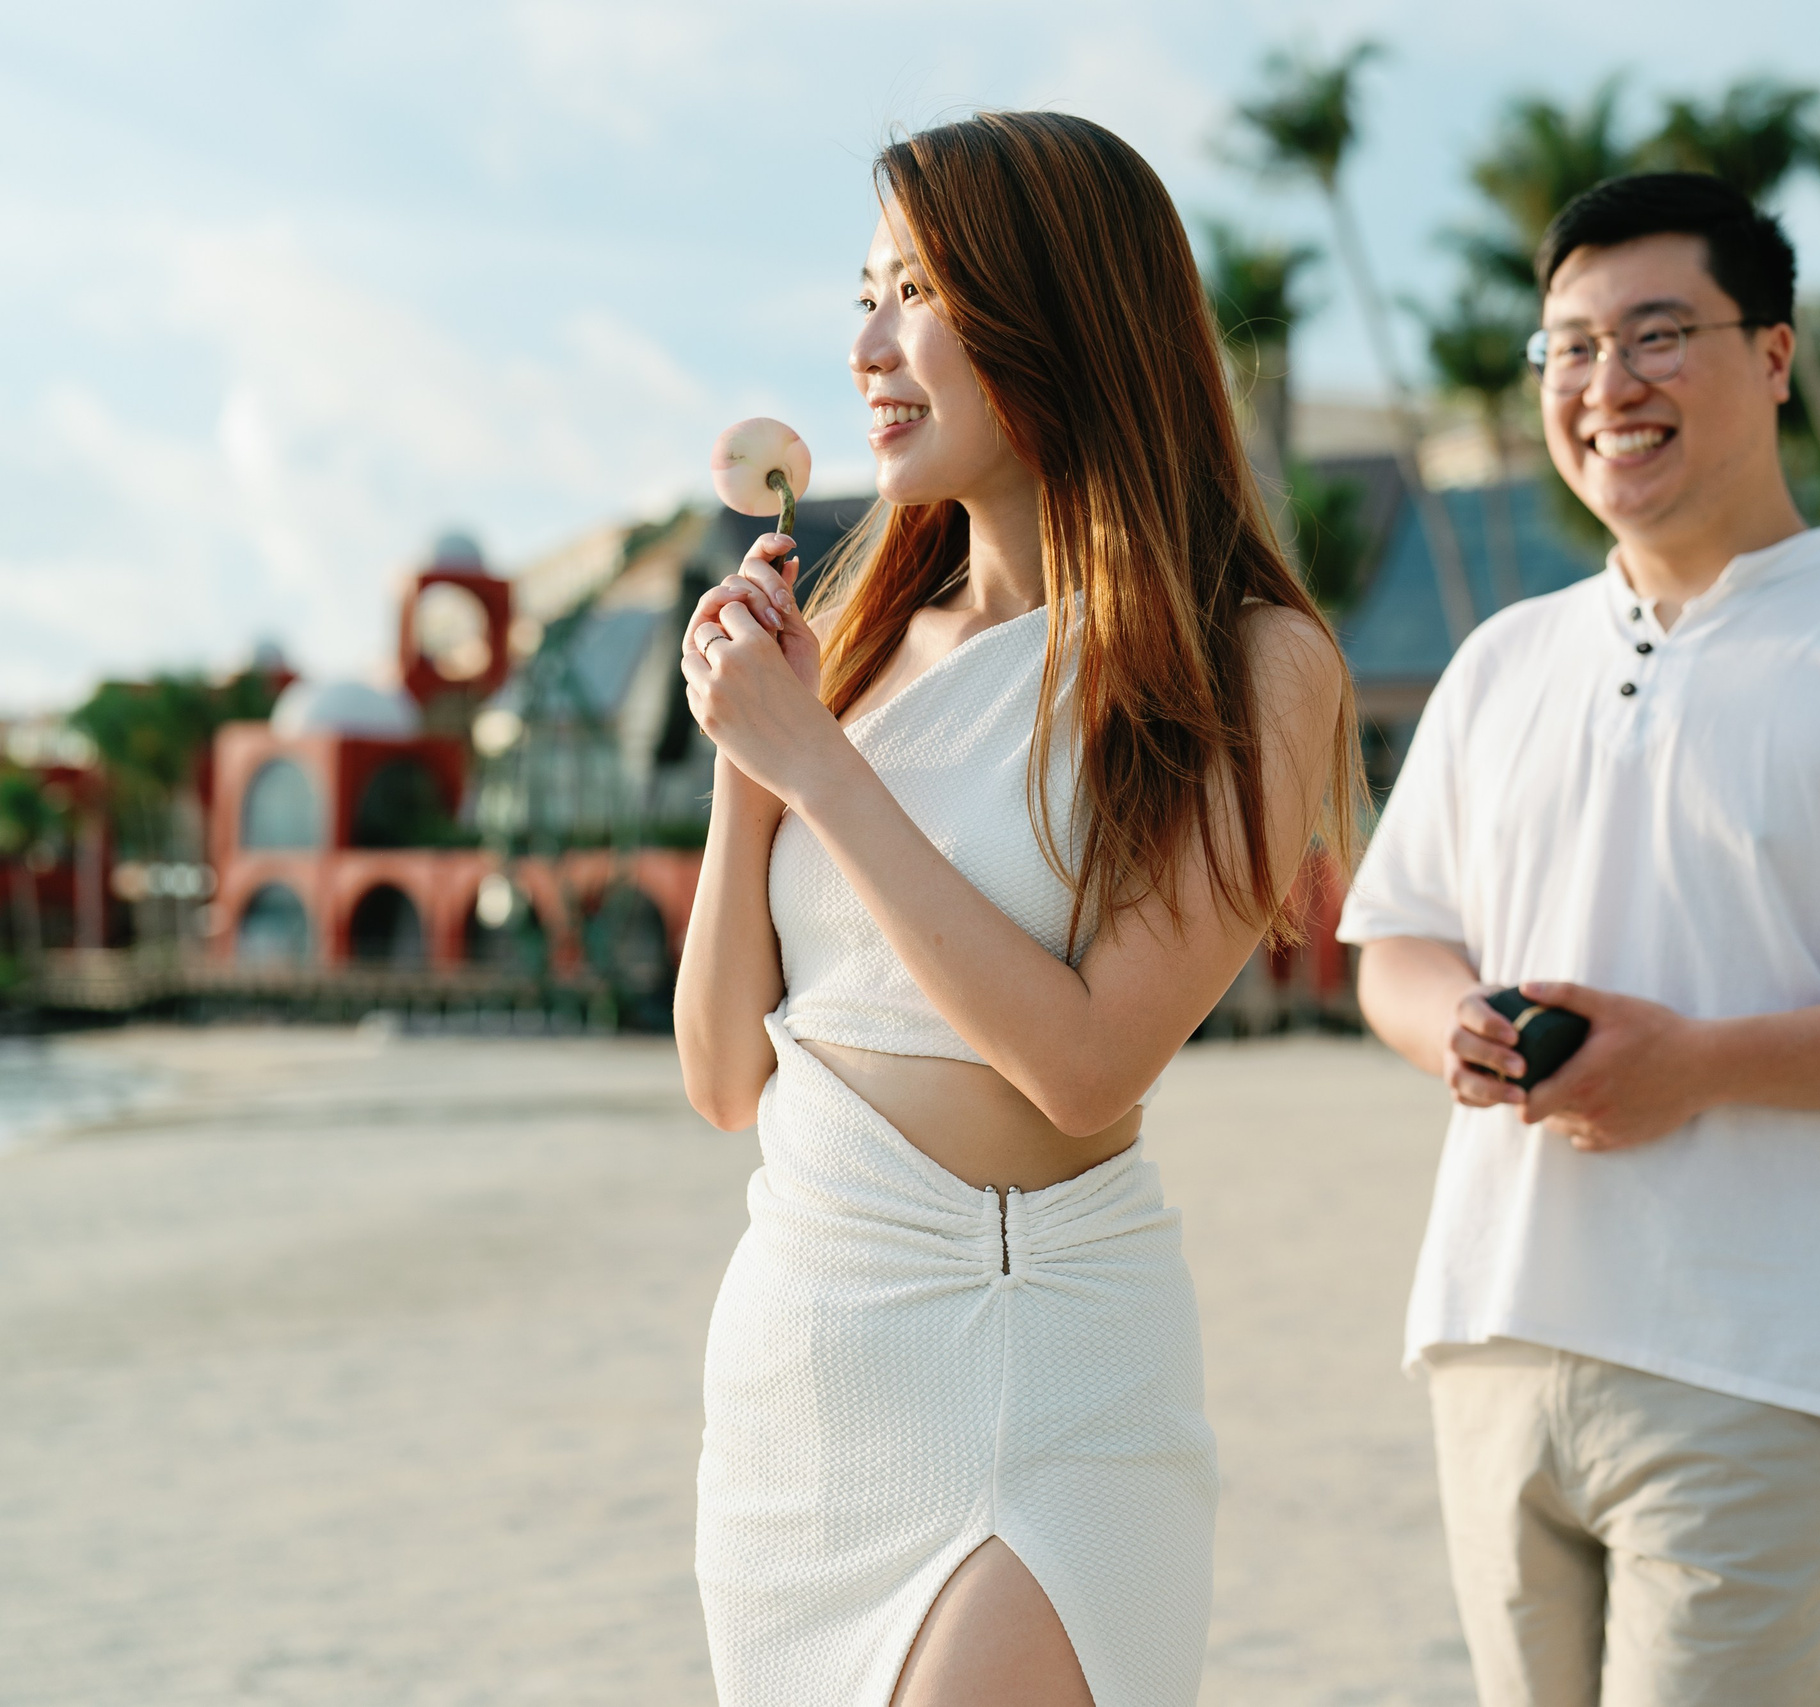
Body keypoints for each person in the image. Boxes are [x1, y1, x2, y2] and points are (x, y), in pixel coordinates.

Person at [1339, 172, 1820, 1707]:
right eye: (1569, 348)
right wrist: (1458, 1031)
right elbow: (1396, 945)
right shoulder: (1501, 661)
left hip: (1763, 1355)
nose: (1608, 385)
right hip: (1492, 1329)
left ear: (1773, 356)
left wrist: (1700, 1067)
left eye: (1659, 334)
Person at [671, 111, 1358, 1707]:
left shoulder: (1249, 660)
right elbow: (720, 1082)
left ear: (1057, 310)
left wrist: (819, 769)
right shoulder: (848, 642)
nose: (866, 343)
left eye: (917, 289)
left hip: (1040, 1345)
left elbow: (1088, 1066)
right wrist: (744, 762)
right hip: (804, 1357)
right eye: (864, 291)